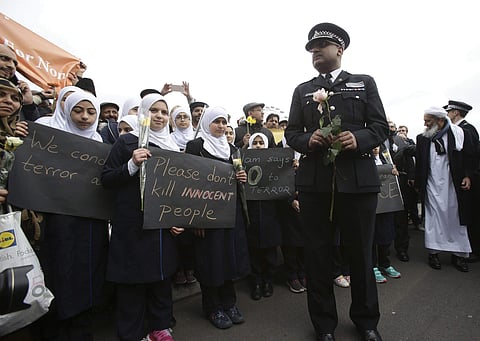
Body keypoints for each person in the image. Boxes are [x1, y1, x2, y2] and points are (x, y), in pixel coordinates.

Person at [285, 22, 388, 341]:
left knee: (360, 254)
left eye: (321, 46)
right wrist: (307, 139)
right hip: (315, 185)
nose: (314, 52)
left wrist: (358, 139)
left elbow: (380, 127)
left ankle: (366, 322)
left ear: (339, 49)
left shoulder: (364, 82)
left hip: (357, 184)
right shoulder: (302, 90)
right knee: (317, 256)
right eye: (311, 49)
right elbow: (291, 133)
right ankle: (324, 326)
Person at [101, 93, 181, 341]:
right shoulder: (127, 142)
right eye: (153, 110)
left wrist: (179, 218)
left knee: (161, 276)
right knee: (132, 281)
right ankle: (132, 333)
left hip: (163, 227)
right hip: (132, 226)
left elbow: (180, 190)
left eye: (164, 112)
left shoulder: (173, 147)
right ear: (143, 113)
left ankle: (160, 326)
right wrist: (131, 165)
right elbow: (106, 179)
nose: (159, 116)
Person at [36, 91, 109, 340]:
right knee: (60, 269)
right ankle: (58, 325)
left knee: (88, 270)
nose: (85, 117)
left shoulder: (99, 142)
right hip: (59, 219)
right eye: (78, 110)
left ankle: (82, 325)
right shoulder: (49, 138)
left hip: (91, 221)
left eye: (91, 112)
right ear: (66, 110)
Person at [185, 106, 250, 330]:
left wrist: (241, 177)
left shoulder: (232, 149)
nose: (221, 126)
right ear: (207, 123)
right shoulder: (196, 146)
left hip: (231, 214)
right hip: (207, 215)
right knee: (209, 260)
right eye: (217, 122)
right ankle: (212, 306)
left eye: (224, 122)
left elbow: (237, 180)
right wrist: (197, 219)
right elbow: (190, 182)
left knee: (229, 258)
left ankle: (229, 303)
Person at [415, 106, 473, 273]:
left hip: (453, 185)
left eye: (428, 121)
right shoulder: (422, 138)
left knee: (455, 219)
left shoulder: (460, 134)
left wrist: (468, 176)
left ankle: (459, 255)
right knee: (434, 220)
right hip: (432, 185)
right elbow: (420, 163)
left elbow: (470, 157)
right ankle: (433, 253)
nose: (425, 124)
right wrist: (418, 183)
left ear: (440, 121)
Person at [245, 133, 282, 300]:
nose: (259, 145)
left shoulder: (275, 165)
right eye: (256, 142)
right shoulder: (244, 165)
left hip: (271, 216)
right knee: (254, 253)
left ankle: (268, 281)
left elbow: (283, 187)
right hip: (251, 216)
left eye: (262, 142)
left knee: (270, 252)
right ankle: (256, 282)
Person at [445, 100, 480, 263]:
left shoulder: (466, 129)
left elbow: (471, 155)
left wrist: (468, 175)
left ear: (456, 113)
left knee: (470, 214)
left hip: (468, 180)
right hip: (464, 178)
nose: (447, 114)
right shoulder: (459, 129)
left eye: (449, 111)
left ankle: (473, 249)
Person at [371, 146, 402, 283]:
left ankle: (385, 263)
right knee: (371, 235)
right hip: (372, 204)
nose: (375, 148)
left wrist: (394, 172)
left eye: (377, 145)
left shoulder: (386, 157)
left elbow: (391, 176)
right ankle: (373, 266)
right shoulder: (364, 160)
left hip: (387, 203)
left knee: (386, 234)